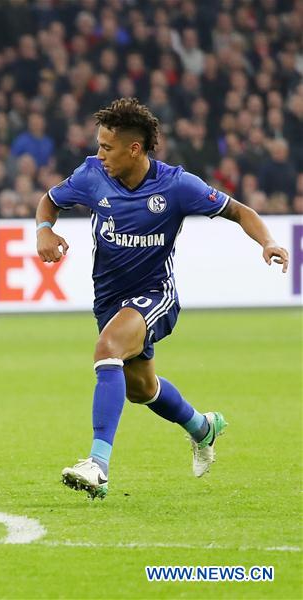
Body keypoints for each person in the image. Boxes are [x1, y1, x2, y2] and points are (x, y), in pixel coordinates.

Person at [36, 98, 289, 499]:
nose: (99, 154)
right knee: (140, 388)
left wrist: (269, 242)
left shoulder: (176, 185)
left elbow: (239, 211)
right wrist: (44, 231)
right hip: (109, 301)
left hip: (155, 295)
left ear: (134, 149)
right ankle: (203, 427)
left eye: (107, 147)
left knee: (107, 349)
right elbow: (50, 201)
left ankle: (98, 465)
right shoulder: (91, 175)